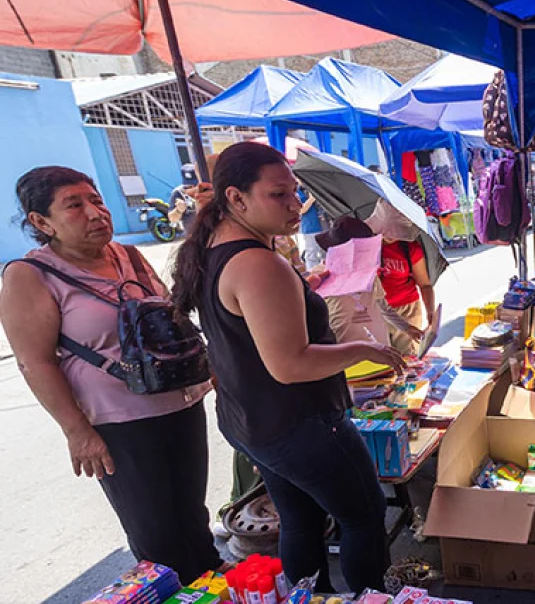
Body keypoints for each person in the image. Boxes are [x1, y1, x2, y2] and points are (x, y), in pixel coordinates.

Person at [171, 142, 404, 593]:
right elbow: (290, 364)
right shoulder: (259, 263)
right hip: (300, 424)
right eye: (279, 195)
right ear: (237, 199)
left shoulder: (217, 249)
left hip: (252, 422)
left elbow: (253, 333)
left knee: (300, 518)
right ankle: (369, 597)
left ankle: (310, 597)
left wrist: (303, 286)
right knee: (364, 514)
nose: (296, 204)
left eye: (295, 192)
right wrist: (364, 350)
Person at [0, 166, 221, 583]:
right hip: (118, 424)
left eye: (97, 199)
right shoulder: (29, 276)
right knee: (157, 535)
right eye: (75, 205)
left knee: (194, 518)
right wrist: (76, 431)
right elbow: (36, 362)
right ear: (41, 222)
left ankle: (212, 589)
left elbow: (168, 314)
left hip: (179, 403)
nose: (95, 212)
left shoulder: (129, 254)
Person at [317, 215, 425, 347]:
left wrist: (406, 328)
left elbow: (383, 307)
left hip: (376, 348)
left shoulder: (369, 275)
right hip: (343, 348)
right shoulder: (319, 277)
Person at [372, 218, 436, 355]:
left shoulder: (410, 249)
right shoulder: (369, 248)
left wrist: (430, 311)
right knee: (384, 360)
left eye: (396, 231)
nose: (390, 235)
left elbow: (425, 285)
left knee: (408, 359)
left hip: (406, 310)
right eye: (386, 230)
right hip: (377, 310)